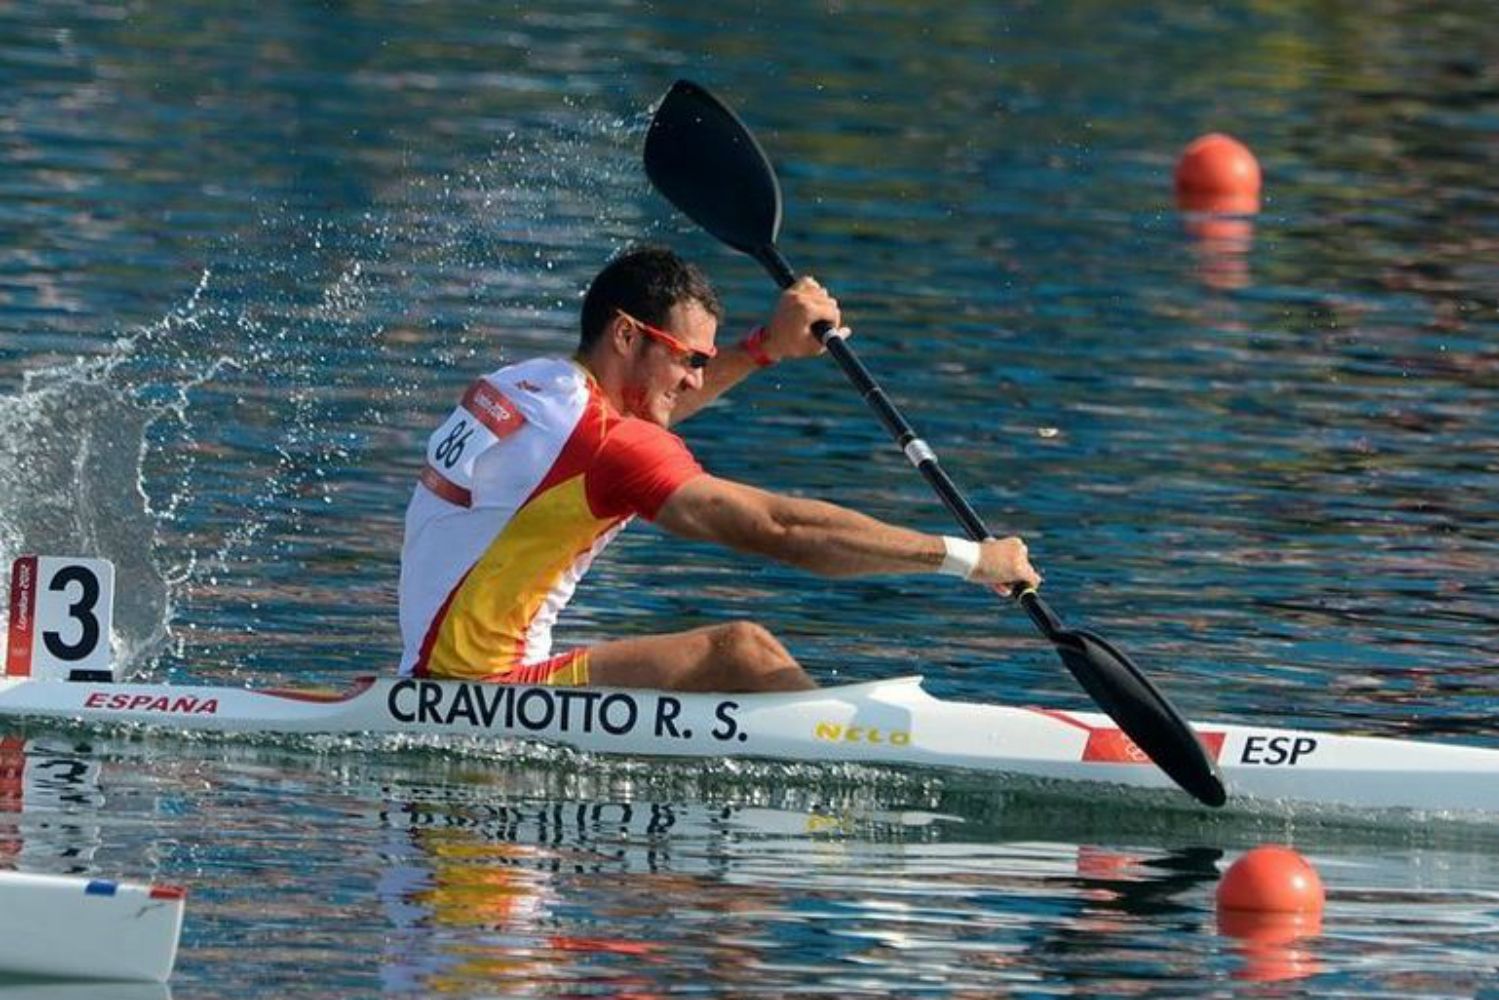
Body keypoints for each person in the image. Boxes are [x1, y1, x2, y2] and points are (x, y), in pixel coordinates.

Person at [398, 246, 1040, 692]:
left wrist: (766, 348)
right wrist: (971, 560)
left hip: (436, 677)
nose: (696, 378)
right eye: (689, 358)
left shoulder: (531, 385)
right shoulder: (606, 443)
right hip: (484, 693)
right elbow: (778, 529)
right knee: (742, 654)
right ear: (626, 336)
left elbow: (648, 416)